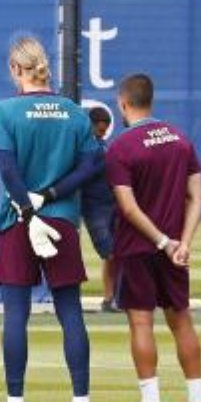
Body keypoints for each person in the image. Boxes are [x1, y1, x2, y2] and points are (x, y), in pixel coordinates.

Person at [0, 34, 106, 402]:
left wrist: (27, 208)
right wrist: (49, 196)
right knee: (69, 310)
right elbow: (89, 167)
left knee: (15, 313)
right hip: (62, 219)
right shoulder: (73, 112)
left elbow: (8, 171)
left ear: (15, 69)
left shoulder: (5, 111)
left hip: (17, 220)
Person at [105, 73, 201, 402]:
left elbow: (128, 207)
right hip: (176, 248)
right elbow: (196, 196)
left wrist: (162, 242)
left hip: (138, 247)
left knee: (141, 322)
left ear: (123, 103)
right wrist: (183, 243)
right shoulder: (180, 139)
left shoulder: (120, 147)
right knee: (182, 320)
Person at [82, 102, 120, 312]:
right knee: (110, 253)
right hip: (93, 208)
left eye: (105, 130)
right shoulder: (86, 148)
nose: (103, 133)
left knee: (116, 255)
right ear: (91, 125)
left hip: (111, 205)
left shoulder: (103, 145)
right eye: (100, 129)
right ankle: (110, 298)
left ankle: (110, 298)